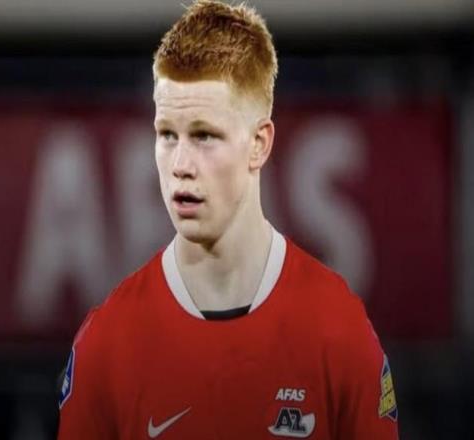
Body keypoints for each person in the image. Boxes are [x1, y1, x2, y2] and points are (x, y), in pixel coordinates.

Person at [57, 1, 398, 438]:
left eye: (204, 135)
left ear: (259, 144)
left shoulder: (338, 330)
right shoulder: (107, 343)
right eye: (167, 134)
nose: (180, 164)